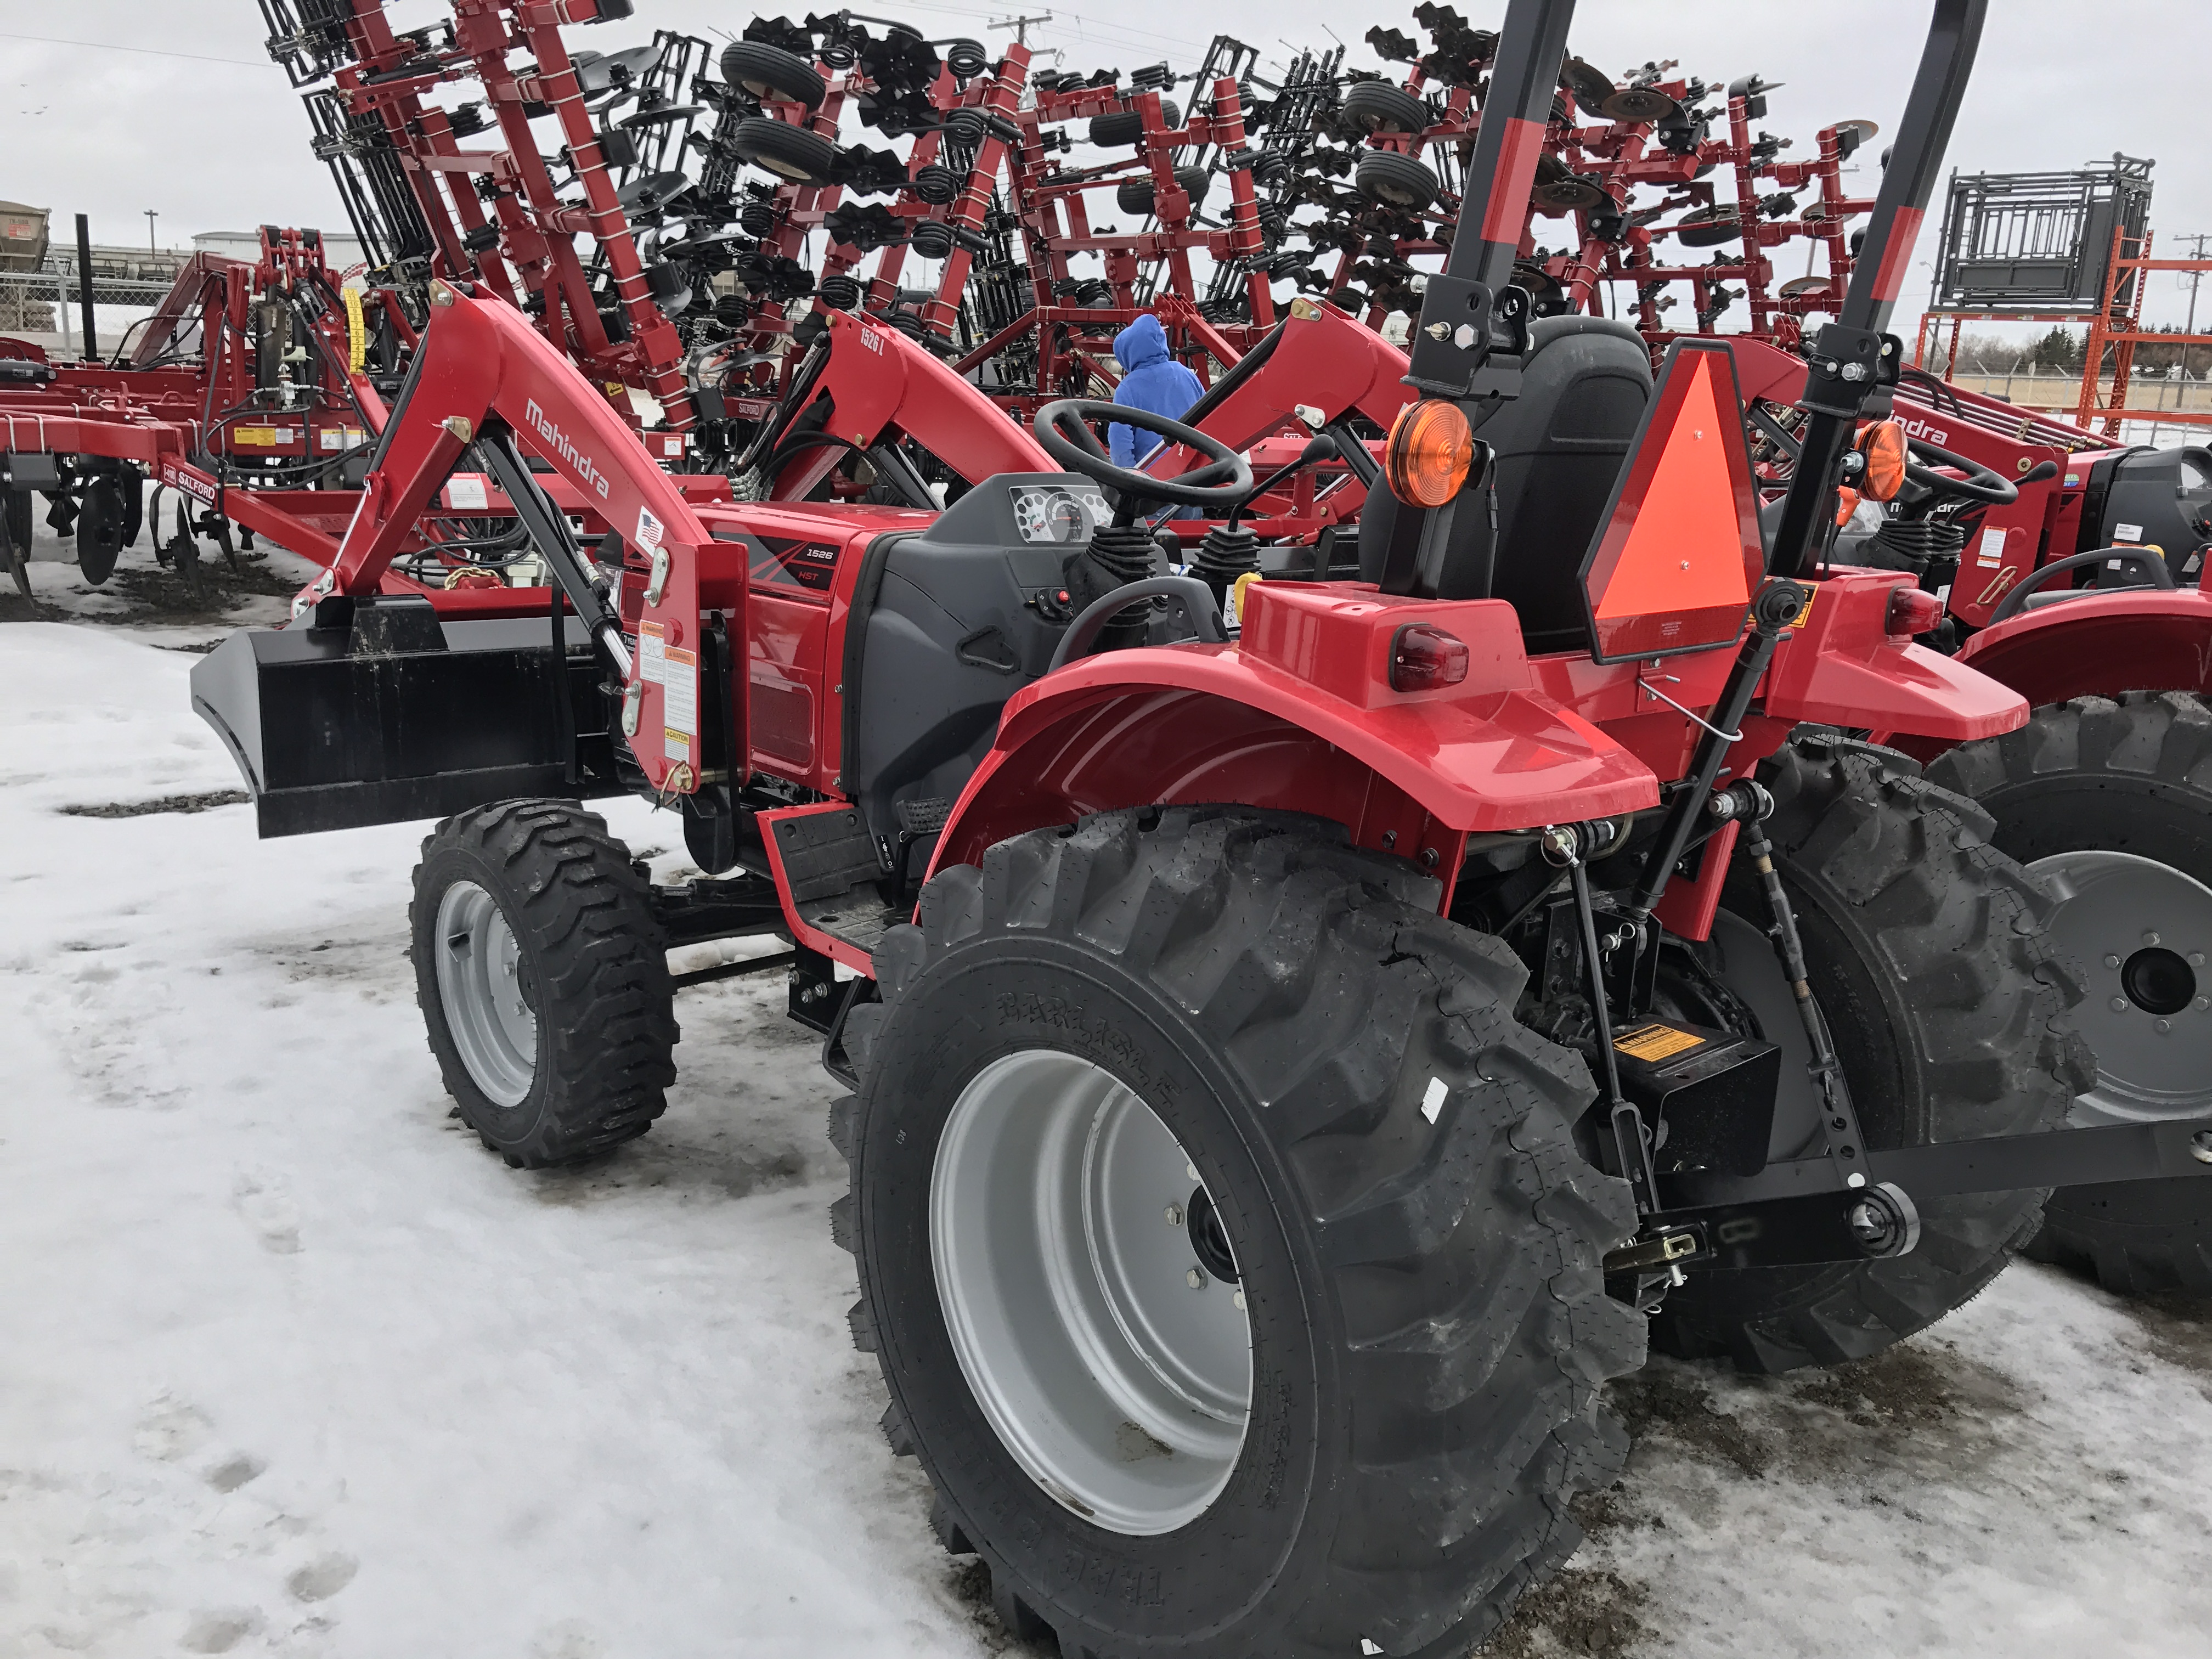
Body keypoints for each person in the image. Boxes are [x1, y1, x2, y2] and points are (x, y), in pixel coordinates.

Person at [1108, 313, 1205, 472]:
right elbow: (1208, 415)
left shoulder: (1127, 389)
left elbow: (1120, 444)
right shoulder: (1186, 373)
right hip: (1194, 469)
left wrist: (1130, 479)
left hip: (1154, 477)